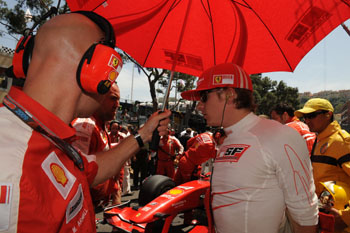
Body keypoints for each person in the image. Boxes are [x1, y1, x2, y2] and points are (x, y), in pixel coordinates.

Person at [0, 12, 170, 232]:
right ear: (97, 71)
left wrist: (143, 135)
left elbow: (90, 169)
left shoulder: (43, 135)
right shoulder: (13, 169)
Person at [181, 63, 318, 233]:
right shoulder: (229, 139)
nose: (199, 106)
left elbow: (305, 215)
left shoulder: (280, 136)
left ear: (229, 95)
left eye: (203, 98)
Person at [72, 83, 123, 207]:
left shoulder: (100, 126)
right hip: (83, 207)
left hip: (97, 205)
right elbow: (75, 176)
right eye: (113, 98)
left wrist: (115, 191)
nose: (117, 105)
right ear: (98, 98)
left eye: (118, 100)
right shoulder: (86, 126)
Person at [295, 98, 350, 196]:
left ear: (328, 115)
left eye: (311, 116)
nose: (307, 121)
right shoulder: (319, 140)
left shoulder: (341, 141)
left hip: (337, 209)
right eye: (305, 117)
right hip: (322, 207)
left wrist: (345, 211)